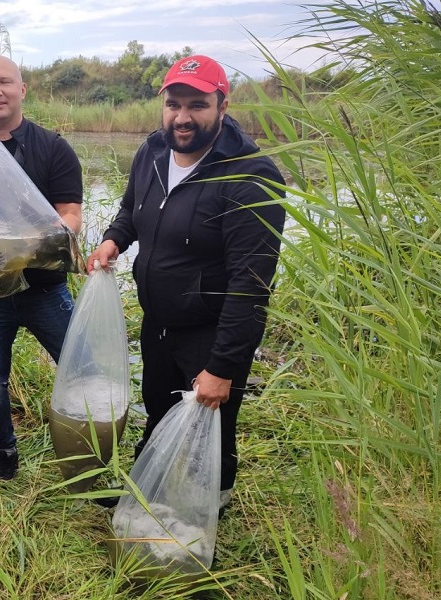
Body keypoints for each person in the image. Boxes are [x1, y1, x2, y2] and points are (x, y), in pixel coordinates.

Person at [87, 55, 286, 510]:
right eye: (173, 104)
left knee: (212, 431)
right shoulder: (152, 152)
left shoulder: (251, 178)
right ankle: (147, 490)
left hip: (210, 331)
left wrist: (222, 369)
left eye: (197, 105)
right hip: (158, 320)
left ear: (222, 104)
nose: (182, 117)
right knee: (157, 406)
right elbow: (130, 210)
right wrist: (113, 241)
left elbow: (250, 287)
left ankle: (208, 510)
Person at [0, 55, 84, 480]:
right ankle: (5, 453)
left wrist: (42, 235)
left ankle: (83, 449)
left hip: (44, 290)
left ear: (22, 89)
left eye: (4, 82)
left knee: (77, 368)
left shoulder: (53, 148)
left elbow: (71, 214)